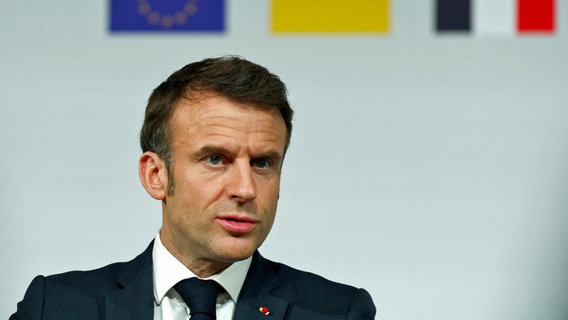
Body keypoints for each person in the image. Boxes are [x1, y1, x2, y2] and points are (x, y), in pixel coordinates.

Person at [11, 56, 376, 319]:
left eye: (263, 163)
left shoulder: (336, 311)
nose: (246, 189)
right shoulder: (56, 306)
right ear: (156, 175)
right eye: (216, 159)